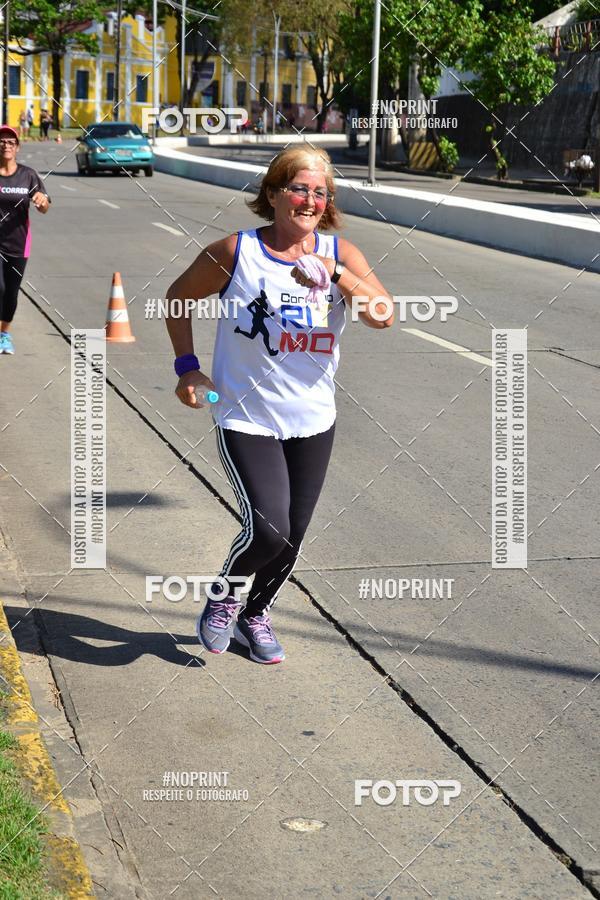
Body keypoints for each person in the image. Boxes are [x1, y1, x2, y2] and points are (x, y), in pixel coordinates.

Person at [165, 146, 393, 664]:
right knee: (270, 526)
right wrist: (187, 368)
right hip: (246, 415)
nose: (309, 200)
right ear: (273, 194)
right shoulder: (235, 251)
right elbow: (177, 299)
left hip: (314, 420)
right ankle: (223, 601)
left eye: (320, 192)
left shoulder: (342, 255)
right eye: (298, 188)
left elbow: (383, 315)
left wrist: (334, 274)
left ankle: (255, 614)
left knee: (293, 537)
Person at [0, 125, 51, 355]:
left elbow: (44, 207)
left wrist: (42, 202)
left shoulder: (28, 175)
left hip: (19, 244)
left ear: (17, 148)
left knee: (11, 293)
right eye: (2, 141)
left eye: (10, 142)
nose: (6, 145)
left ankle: (4, 334)